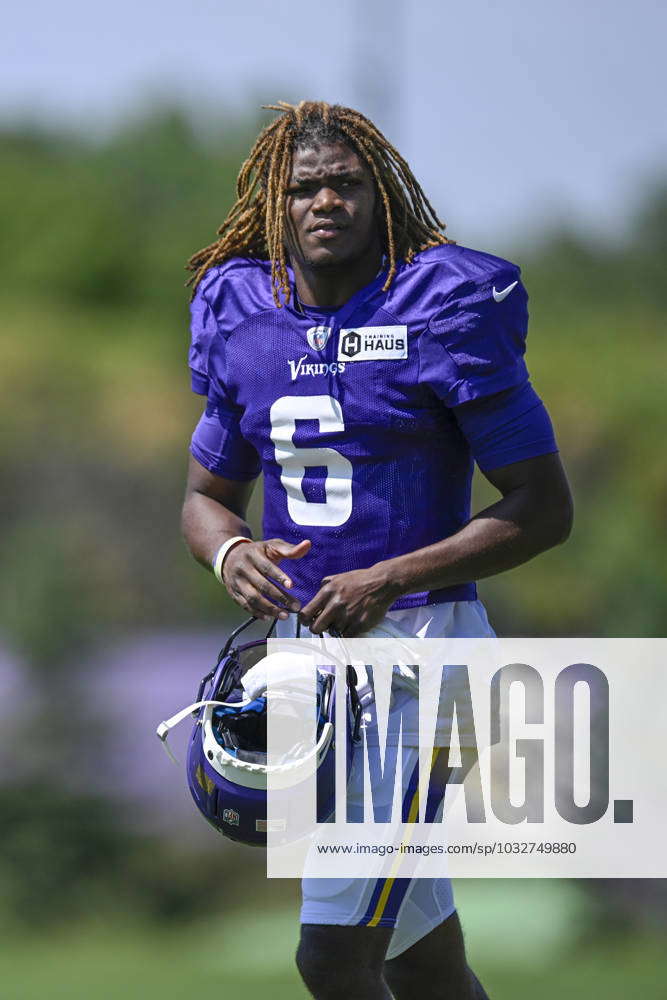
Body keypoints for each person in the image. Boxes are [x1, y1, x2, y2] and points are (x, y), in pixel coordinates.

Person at [180, 99, 573, 1000]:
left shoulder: (442, 307)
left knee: (330, 956)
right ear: (274, 205)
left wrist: (389, 576)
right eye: (305, 187)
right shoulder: (245, 316)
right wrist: (227, 553)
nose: (326, 202)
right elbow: (206, 498)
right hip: (307, 667)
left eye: (345, 185)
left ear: (379, 196)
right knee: (419, 958)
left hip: (422, 662)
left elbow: (542, 507)